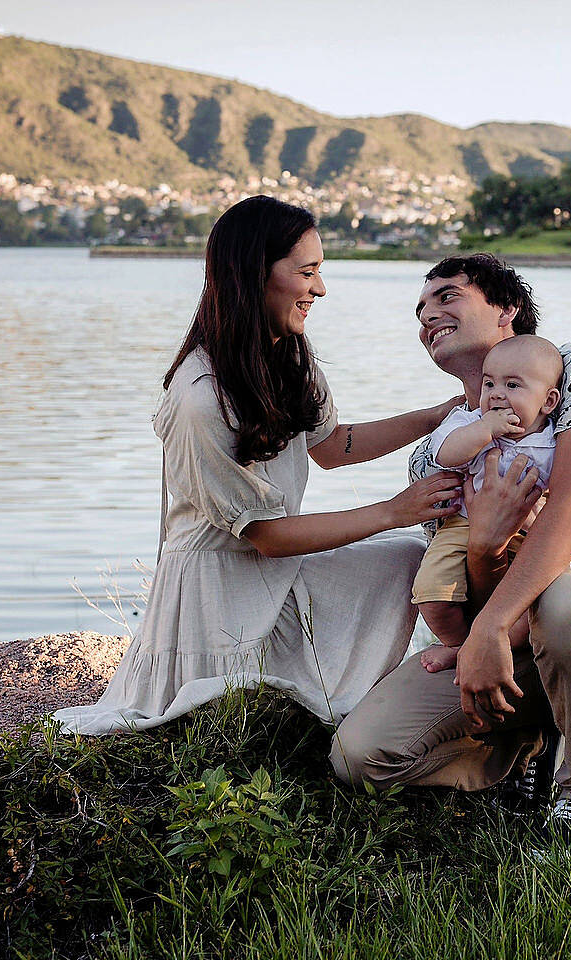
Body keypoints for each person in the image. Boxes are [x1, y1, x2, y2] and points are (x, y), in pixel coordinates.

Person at [52, 196, 462, 736]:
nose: (320, 289)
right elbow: (265, 535)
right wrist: (395, 510)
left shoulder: (288, 351)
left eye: (321, 272)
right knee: (401, 542)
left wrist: (435, 416)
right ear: (254, 273)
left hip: (272, 567)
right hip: (217, 587)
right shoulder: (200, 396)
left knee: (409, 559)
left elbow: (333, 445)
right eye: (308, 272)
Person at [330, 253, 571, 845]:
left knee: (567, 598)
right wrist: (486, 550)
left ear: (507, 312)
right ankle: (521, 761)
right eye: (420, 308)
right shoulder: (436, 453)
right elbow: (463, 583)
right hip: (505, 647)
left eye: (447, 296)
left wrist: (489, 628)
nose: (427, 315)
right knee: (362, 758)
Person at [412, 334, 571, 674]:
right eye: (489, 384)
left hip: (532, 535)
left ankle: (495, 645)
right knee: (431, 594)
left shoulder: (555, 441)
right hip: (464, 526)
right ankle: (459, 643)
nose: (496, 393)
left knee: (536, 610)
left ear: (548, 401)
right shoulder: (469, 423)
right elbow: (445, 455)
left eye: (513, 385)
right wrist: (486, 428)